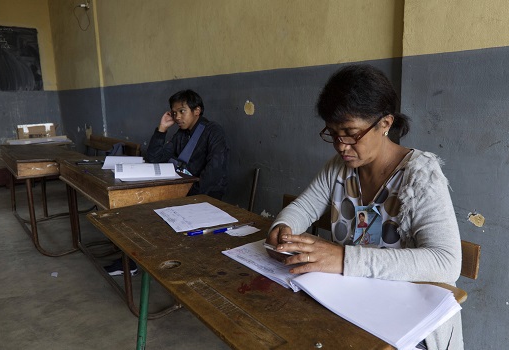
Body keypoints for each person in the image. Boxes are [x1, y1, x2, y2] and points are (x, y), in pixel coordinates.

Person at [266, 64, 463, 350]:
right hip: (349, 306)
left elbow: (445, 264)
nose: (341, 145)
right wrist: (283, 228)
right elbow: (304, 207)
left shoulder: (420, 175)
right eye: (333, 133)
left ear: (385, 123)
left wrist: (345, 259)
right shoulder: (339, 169)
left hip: (408, 325)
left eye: (350, 133)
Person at [104, 89, 229, 276]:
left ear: (197, 110)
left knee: (154, 215)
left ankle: (137, 260)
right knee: (140, 209)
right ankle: (135, 259)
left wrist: (185, 196)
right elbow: (154, 158)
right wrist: (162, 129)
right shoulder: (181, 135)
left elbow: (214, 171)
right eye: (174, 112)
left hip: (205, 194)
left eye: (182, 111)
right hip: (180, 190)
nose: (177, 116)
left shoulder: (212, 131)